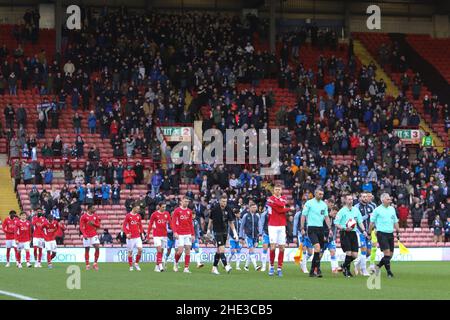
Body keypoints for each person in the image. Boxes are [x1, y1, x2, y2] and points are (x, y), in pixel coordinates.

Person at [301, 188, 332, 278]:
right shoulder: (309, 203)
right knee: (317, 248)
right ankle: (315, 270)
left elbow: (326, 217)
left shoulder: (324, 205)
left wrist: (329, 228)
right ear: (315, 194)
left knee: (319, 251)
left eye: (322, 194)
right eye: (319, 194)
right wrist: (302, 227)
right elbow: (303, 215)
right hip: (311, 228)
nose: (321, 196)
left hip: (321, 229)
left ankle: (314, 270)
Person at [335, 194, 369, 277]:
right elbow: (336, 223)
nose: (351, 201)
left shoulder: (356, 210)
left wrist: (364, 230)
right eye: (349, 199)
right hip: (345, 233)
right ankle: (347, 271)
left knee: (355, 255)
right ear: (345, 201)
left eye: (352, 199)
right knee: (349, 253)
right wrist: (344, 228)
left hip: (353, 233)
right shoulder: (342, 211)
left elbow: (360, 222)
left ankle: (343, 266)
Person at [369, 193, 400, 278]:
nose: (390, 200)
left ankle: (377, 267)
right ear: (383, 200)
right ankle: (389, 272)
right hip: (381, 233)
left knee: (390, 255)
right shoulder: (377, 210)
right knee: (386, 253)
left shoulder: (392, 209)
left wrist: (398, 231)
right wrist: (369, 233)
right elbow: (371, 222)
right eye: (388, 199)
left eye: (390, 199)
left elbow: (395, 221)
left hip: (390, 233)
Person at [207, 194, 238, 275]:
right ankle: (226, 266)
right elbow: (210, 220)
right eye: (223, 201)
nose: (224, 203)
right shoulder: (215, 209)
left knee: (218, 251)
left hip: (224, 232)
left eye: (225, 202)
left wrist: (235, 233)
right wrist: (208, 230)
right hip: (217, 231)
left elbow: (231, 222)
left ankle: (214, 268)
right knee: (222, 250)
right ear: (220, 201)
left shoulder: (228, 209)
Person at [266, 184, 292, 277]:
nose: (277, 191)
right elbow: (280, 209)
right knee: (272, 247)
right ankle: (272, 267)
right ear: (273, 191)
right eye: (276, 189)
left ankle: (279, 268)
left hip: (282, 226)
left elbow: (280, 205)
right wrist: (288, 209)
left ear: (281, 191)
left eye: (279, 189)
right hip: (272, 225)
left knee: (282, 248)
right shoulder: (269, 199)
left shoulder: (284, 197)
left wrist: (277, 204)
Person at [354, 192, 376, 276]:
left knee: (369, 252)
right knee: (363, 249)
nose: (365, 198)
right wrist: (366, 216)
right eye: (363, 197)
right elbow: (355, 220)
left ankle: (357, 263)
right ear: (360, 198)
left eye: (366, 197)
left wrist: (373, 230)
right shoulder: (356, 207)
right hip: (360, 232)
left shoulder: (371, 207)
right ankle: (364, 270)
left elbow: (373, 220)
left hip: (369, 232)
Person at [171, 196, 196, 273]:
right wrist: (175, 232)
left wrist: (193, 234)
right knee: (180, 251)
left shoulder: (189, 211)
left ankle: (186, 268)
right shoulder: (177, 211)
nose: (186, 203)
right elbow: (173, 222)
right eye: (185, 201)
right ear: (181, 201)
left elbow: (191, 224)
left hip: (188, 233)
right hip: (180, 233)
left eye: (187, 202)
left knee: (188, 250)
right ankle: (175, 263)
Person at [148, 202, 172, 272]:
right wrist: (148, 235)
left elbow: (170, 223)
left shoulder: (167, 214)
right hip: (156, 235)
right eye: (163, 207)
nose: (164, 208)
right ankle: (160, 266)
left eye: (165, 207)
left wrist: (175, 231)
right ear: (159, 207)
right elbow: (150, 225)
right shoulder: (154, 214)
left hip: (164, 235)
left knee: (161, 251)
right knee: (159, 249)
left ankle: (156, 266)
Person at [240, 201, 262, 272]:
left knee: (251, 251)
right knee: (251, 249)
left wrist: (260, 235)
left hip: (255, 236)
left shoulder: (257, 216)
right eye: (253, 207)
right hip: (248, 236)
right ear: (249, 208)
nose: (254, 208)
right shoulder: (246, 216)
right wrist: (241, 237)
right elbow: (241, 227)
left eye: (255, 207)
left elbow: (259, 226)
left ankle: (246, 266)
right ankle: (256, 266)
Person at [122, 203, 144, 271]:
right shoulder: (128, 216)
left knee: (140, 249)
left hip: (137, 236)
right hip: (130, 237)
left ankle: (136, 263)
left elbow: (140, 225)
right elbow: (124, 226)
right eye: (137, 208)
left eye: (139, 209)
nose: (138, 210)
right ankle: (131, 266)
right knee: (130, 252)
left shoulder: (138, 216)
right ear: (134, 208)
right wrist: (127, 233)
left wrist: (142, 233)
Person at [79, 205, 101, 271]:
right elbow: (81, 226)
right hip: (86, 235)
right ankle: (87, 264)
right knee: (87, 249)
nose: (95, 209)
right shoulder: (83, 216)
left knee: (97, 247)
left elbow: (98, 225)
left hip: (94, 234)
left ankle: (95, 264)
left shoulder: (95, 216)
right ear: (89, 209)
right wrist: (84, 234)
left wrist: (93, 224)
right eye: (93, 208)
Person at [321, 200, 340, 274]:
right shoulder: (325, 218)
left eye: (336, 214)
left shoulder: (334, 218)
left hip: (330, 239)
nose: (335, 215)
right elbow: (320, 227)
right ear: (331, 211)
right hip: (323, 238)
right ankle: (316, 267)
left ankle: (334, 268)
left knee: (333, 252)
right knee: (319, 255)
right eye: (334, 213)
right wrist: (322, 236)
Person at [293, 207, 314, 274]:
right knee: (304, 249)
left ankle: (302, 262)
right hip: (301, 234)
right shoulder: (298, 214)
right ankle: (304, 268)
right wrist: (294, 236)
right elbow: (295, 225)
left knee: (310, 253)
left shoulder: (311, 214)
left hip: (309, 234)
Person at [258, 205, 270, 272]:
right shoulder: (264, 214)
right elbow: (261, 224)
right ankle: (264, 266)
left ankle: (271, 266)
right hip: (266, 233)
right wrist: (260, 234)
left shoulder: (275, 213)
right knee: (265, 248)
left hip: (273, 233)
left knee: (272, 249)